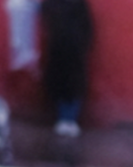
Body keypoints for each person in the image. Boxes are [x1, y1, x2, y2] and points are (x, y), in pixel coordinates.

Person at [40, 0, 94, 138]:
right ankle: (68, 120)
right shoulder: (79, 3)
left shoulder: (55, 3)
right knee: (70, 85)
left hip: (62, 48)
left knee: (63, 84)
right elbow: (88, 27)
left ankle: (65, 119)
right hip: (70, 49)